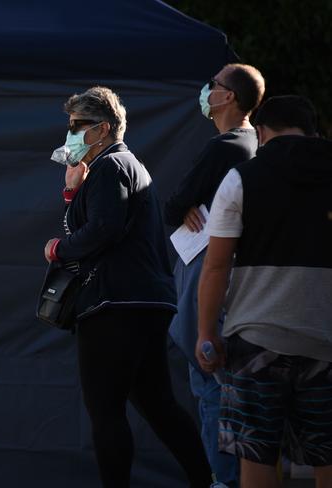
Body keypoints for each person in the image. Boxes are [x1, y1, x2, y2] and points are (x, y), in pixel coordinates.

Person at [44, 86, 219, 487]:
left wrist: (58, 249)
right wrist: (72, 191)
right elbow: (102, 225)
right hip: (143, 302)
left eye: (77, 125)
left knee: (106, 410)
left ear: (102, 128)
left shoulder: (110, 166)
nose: (70, 132)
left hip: (115, 304)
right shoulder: (122, 165)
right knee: (158, 405)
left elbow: (101, 230)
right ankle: (208, 480)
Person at [196, 95, 332, 488]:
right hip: (326, 338)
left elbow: (217, 265)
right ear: (314, 132)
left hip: (256, 339)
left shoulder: (242, 178)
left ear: (262, 132)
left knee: (256, 454)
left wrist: (207, 333)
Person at [164, 63, 265, 487]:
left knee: (210, 384)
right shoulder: (252, 143)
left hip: (209, 277)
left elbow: (174, 205)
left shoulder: (226, 147)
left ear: (229, 98)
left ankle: (222, 479)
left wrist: (181, 207)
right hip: (231, 284)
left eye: (215, 85)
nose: (207, 90)